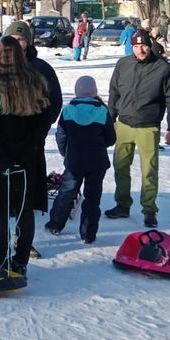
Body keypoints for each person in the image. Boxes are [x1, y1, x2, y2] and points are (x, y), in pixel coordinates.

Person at [0, 37, 51, 276]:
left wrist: (3, 156)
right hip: (29, 154)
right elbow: (43, 121)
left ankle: (4, 261)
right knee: (24, 209)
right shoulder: (37, 81)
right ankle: (21, 261)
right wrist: (30, 150)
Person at [105, 30, 170, 228]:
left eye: (144, 45)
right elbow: (114, 92)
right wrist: (111, 118)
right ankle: (122, 204)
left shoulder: (163, 68)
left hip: (148, 127)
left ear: (150, 45)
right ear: (132, 47)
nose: (141, 49)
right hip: (124, 124)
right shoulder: (123, 64)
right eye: (137, 46)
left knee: (149, 171)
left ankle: (149, 210)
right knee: (121, 167)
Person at [45, 76, 116, 243]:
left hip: (74, 160)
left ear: (77, 91)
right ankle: (88, 233)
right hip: (97, 161)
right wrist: (99, 146)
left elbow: (61, 135)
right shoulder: (102, 111)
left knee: (67, 193)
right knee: (92, 197)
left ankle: (55, 224)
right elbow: (111, 138)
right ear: (94, 91)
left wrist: (65, 152)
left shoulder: (68, 110)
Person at [0, 20, 62, 127]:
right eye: (12, 39)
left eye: (20, 39)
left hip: (29, 134)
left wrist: (40, 127)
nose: (16, 43)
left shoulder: (41, 68)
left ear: (28, 42)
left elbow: (54, 99)